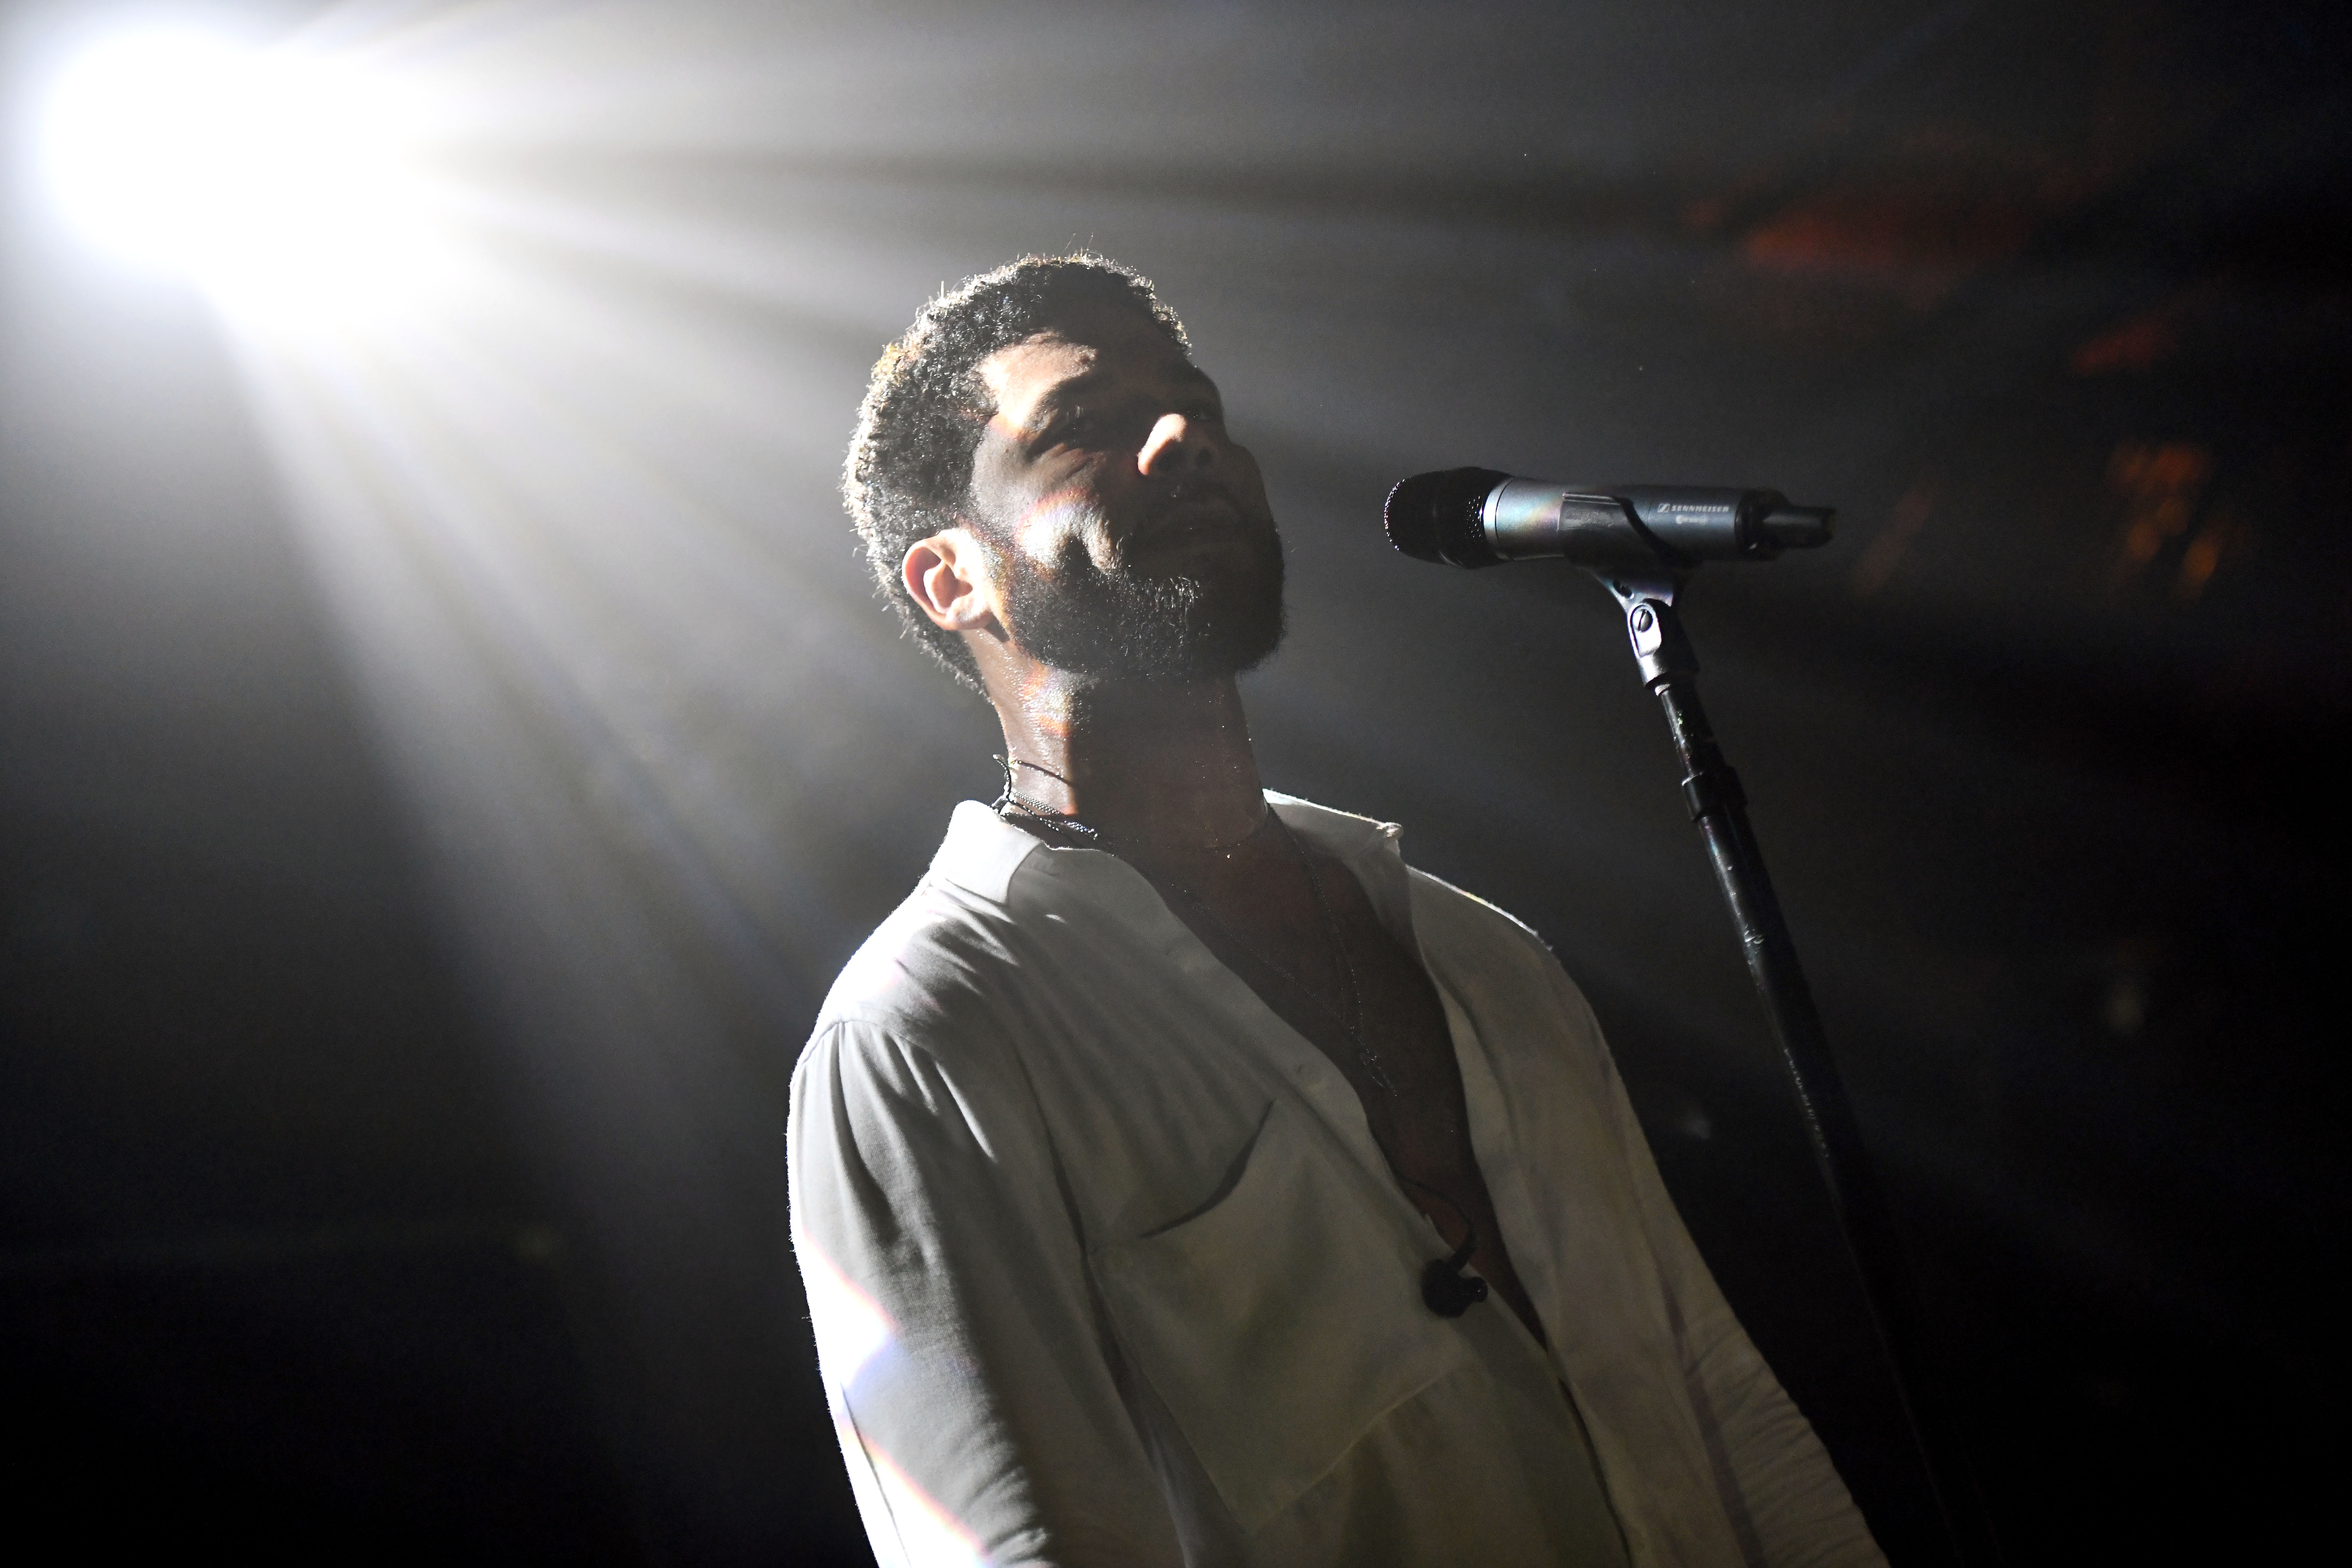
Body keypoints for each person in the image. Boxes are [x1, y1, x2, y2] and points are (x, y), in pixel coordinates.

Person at [787, 253, 1885, 1568]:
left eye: (1196, 405)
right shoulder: (926, 1036)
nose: (1184, 436)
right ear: (950, 580)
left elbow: (1722, 1407)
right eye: (1085, 427)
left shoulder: (1479, 952)